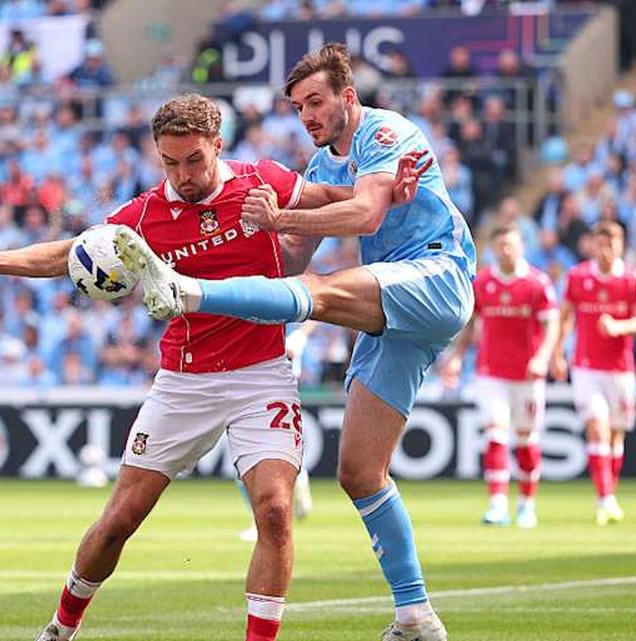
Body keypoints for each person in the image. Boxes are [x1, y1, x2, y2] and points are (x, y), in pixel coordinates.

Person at [0, 93, 424, 641]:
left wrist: (389, 192)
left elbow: (338, 198)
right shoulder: (144, 216)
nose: (184, 175)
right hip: (183, 382)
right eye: (170, 163)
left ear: (218, 145)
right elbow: (70, 252)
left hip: (261, 372)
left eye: (194, 160)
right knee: (121, 519)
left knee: (273, 512)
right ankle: (60, 627)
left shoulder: (260, 182)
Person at [111, 43, 473, 641]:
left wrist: (273, 222)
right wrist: (230, 234)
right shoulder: (321, 169)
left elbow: (365, 217)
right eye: (297, 106)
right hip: (389, 308)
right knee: (360, 471)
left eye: (316, 101)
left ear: (347, 98)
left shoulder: (384, 133)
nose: (306, 115)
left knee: (321, 292)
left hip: (436, 276)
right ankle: (417, 617)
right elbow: (289, 264)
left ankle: (187, 292)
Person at [443, 225, 559, 529]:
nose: (505, 250)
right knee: (495, 432)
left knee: (525, 439)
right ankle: (496, 502)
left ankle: (527, 503)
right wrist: (456, 357)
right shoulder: (484, 282)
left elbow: (551, 325)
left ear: (521, 246)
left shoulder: (537, 283)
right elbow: (470, 325)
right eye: (500, 245)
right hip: (490, 372)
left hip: (527, 375)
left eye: (510, 244)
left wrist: (543, 357)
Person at [550, 221, 636, 526]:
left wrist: (619, 326)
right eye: (600, 243)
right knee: (597, 428)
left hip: (620, 369)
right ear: (592, 245)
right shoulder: (579, 276)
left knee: (616, 436)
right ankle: (604, 498)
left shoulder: (633, 279)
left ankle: (609, 495)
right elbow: (565, 316)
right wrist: (557, 353)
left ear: (620, 246)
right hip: (586, 367)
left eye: (611, 243)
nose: (605, 250)